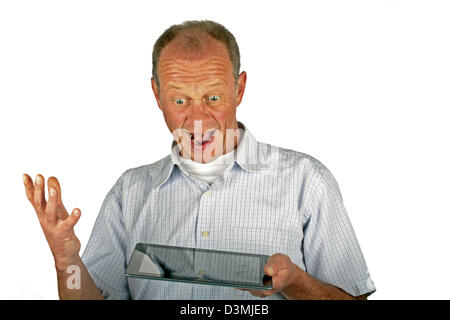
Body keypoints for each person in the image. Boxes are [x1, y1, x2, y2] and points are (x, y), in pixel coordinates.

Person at [23, 20, 376, 300]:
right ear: (157, 94)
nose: (197, 119)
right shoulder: (128, 193)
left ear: (239, 89)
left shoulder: (306, 182)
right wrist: (66, 261)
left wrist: (295, 282)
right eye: (180, 101)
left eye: (213, 96)